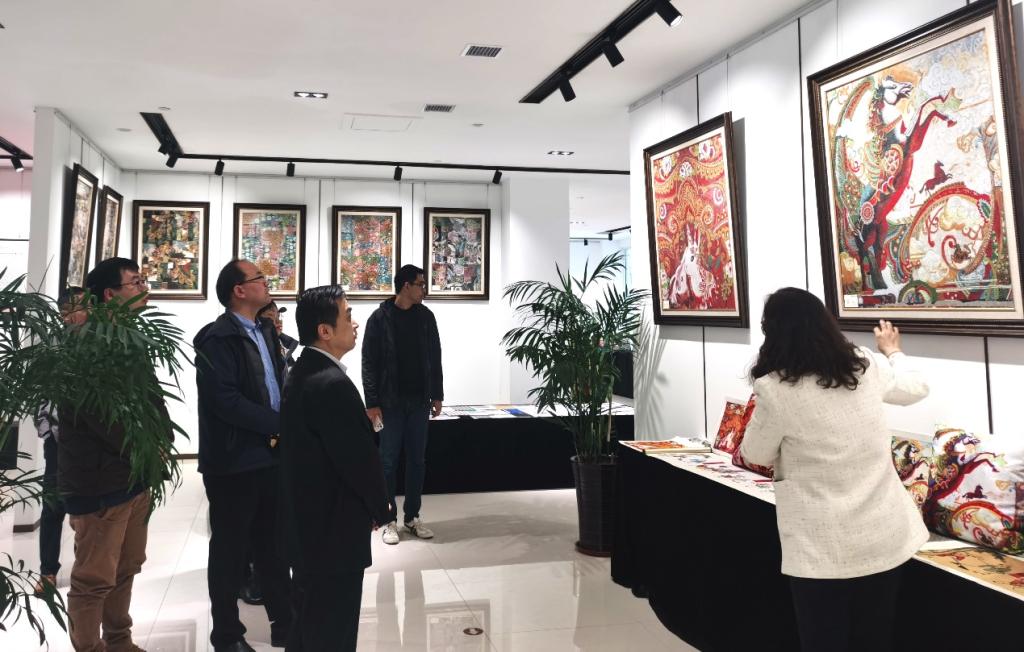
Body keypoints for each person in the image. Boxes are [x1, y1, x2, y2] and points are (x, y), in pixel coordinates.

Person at [738, 288, 929, 652]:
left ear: (772, 333)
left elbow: (755, 452)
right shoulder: (862, 364)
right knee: (873, 639)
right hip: (884, 534)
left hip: (822, 549)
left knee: (824, 640)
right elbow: (916, 387)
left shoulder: (775, 388)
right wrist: (893, 351)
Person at [60, 258, 164, 652]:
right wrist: (145, 445)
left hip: (133, 475)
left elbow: (152, 399)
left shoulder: (129, 337)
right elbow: (100, 414)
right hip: (99, 479)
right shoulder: (86, 341)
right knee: (94, 577)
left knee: (127, 566)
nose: (144, 289)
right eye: (135, 282)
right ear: (109, 294)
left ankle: (120, 641)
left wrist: (160, 439)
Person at [280, 285, 390, 651]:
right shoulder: (330, 384)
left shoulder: (306, 372)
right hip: (333, 530)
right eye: (347, 316)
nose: (355, 324)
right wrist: (380, 507)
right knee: (332, 629)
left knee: (310, 623)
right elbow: (357, 460)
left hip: (312, 527)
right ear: (324, 331)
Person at [194, 260, 292, 652]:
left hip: (270, 455)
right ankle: (227, 635)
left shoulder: (265, 331)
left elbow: (275, 385)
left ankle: (285, 622)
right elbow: (226, 402)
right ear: (239, 290)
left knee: (273, 546)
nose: (267, 284)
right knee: (230, 551)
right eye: (259, 279)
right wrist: (279, 423)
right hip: (233, 461)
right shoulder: (217, 340)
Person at [362, 264, 444, 545]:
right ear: (406, 286)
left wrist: (437, 394)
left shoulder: (426, 317)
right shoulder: (379, 318)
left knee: (417, 460)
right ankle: (388, 520)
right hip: (389, 403)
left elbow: (435, 356)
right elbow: (369, 363)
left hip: (419, 401)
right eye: (421, 284)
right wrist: (371, 402)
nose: (424, 290)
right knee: (387, 462)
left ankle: (412, 516)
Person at [32, 286, 87, 595]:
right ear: (64, 313)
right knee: (53, 505)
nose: (85, 313)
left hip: (89, 440)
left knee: (87, 508)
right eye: (78, 308)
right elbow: (40, 391)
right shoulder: (51, 345)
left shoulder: (101, 343)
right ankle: (48, 571)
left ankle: (84, 568)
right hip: (58, 438)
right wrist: (46, 428)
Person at [257, 300, 299, 370]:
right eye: (270, 316)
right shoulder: (255, 346)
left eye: (278, 316)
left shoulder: (283, 345)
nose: (278, 321)